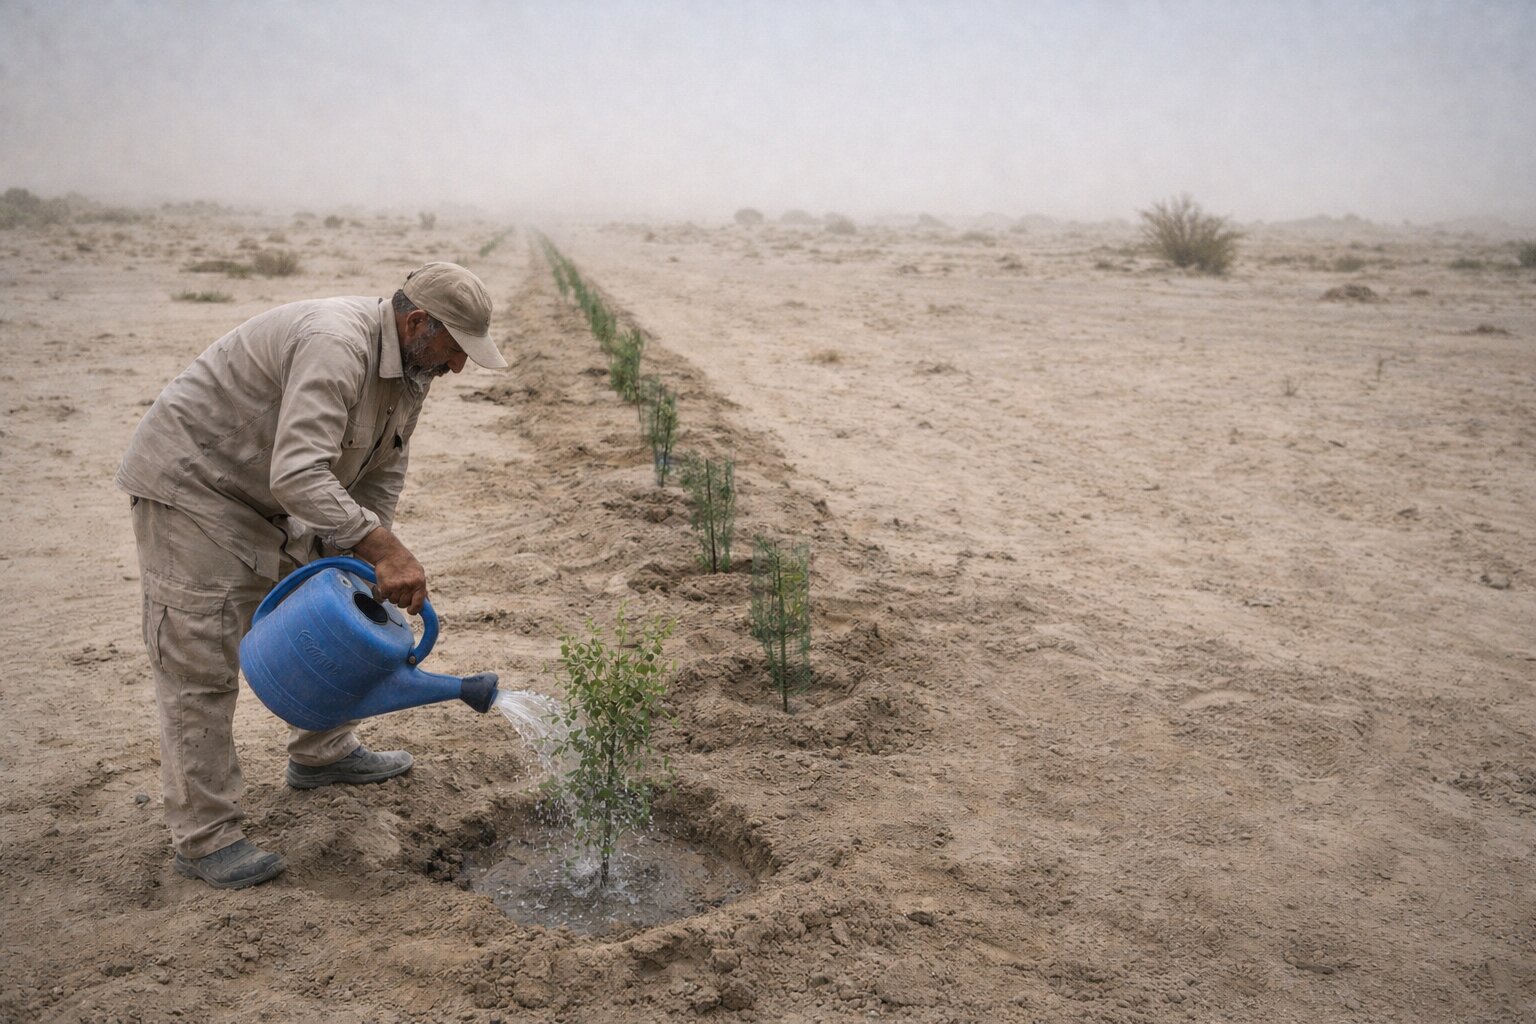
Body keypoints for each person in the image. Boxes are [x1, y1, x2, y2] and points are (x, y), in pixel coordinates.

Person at [116, 262, 507, 889]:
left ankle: (323, 753)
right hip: (196, 485)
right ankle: (204, 837)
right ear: (416, 322)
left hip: (276, 492)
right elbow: (298, 473)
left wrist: (365, 554)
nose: (458, 367)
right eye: (456, 349)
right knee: (201, 661)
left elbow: (382, 470)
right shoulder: (335, 344)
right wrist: (382, 547)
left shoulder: (412, 365)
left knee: (332, 611)